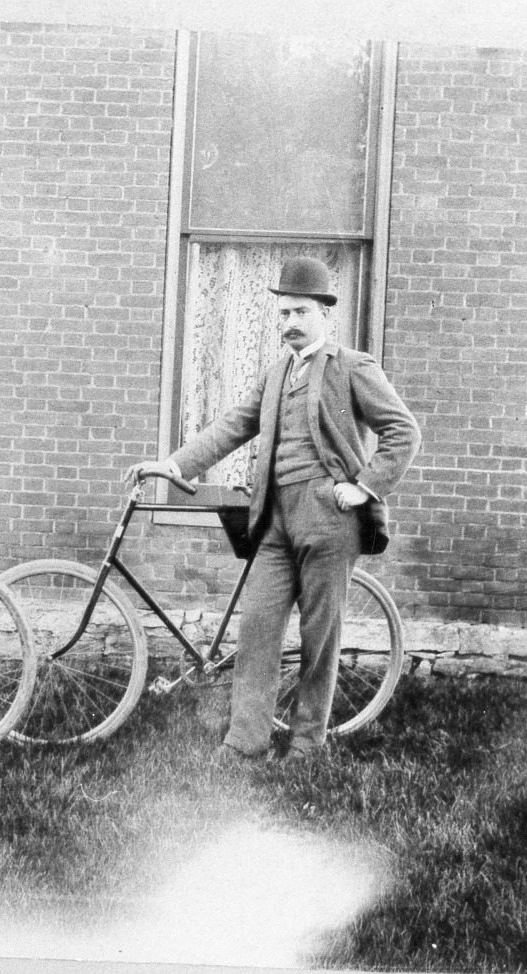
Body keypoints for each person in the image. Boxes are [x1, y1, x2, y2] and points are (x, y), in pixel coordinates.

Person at [126, 256, 420, 763]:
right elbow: (233, 425)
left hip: (329, 518)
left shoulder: (352, 367)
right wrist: (173, 465)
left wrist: (365, 487)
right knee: (257, 628)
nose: (290, 322)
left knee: (318, 637)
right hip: (274, 520)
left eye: (301, 311)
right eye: (283, 313)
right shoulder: (276, 372)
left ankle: (306, 743)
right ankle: (246, 742)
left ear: (324, 312)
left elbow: (404, 431)